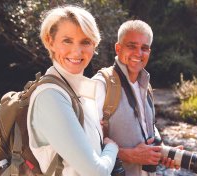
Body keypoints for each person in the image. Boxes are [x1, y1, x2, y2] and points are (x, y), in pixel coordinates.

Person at [27, 5, 118, 176]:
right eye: (67, 40)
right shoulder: (50, 96)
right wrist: (112, 148)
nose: (77, 52)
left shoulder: (80, 92)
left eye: (85, 42)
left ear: (94, 45)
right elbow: (96, 172)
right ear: (50, 41)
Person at [93, 20, 182, 176]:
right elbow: (84, 145)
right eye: (132, 46)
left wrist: (162, 151)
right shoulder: (101, 85)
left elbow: (149, 128)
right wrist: (128, 155)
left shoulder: (145, 84)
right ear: (118, 48)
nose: (138, 53)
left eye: (144, 48)